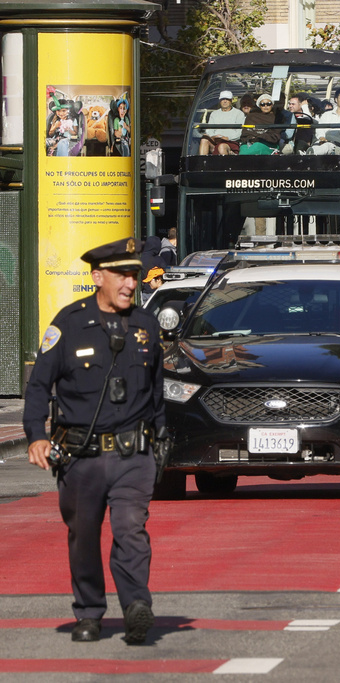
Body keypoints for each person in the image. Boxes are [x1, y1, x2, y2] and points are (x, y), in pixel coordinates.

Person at [22, 237, 166, 645]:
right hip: (81, 457)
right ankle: (88, 611)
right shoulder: (67, 324)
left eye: (134, 275)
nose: (129, 283)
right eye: (122, 275)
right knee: (83, 536)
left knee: (130, 528)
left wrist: (162, 438)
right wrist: (36, 435)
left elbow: (155, 391)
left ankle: (137, 605)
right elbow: (38, 388)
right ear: (97, 276)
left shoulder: (146, 325)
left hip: (132, 455)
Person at [310, 87, 340, 154]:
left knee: (327, 146)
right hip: (323, 140)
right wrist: (321, 137)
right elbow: (320, 128)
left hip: (338, 141)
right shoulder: (326, 114)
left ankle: (311, 153)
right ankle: (307, 153)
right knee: (317, 146)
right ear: (336, 99)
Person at [198, 90, 245, 156]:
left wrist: (227, 138)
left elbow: (240, 132)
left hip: (230, 142)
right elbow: (209, 130)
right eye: (223, 99)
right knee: (204, 139)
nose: (225, 101)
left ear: (231, 100)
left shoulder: (239, 114)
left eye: (227, 99)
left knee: (222, 147)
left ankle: (225, 165)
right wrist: (213, 137)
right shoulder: (214, 114)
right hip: (216, 142)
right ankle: (202, 164)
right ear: (220, 100)